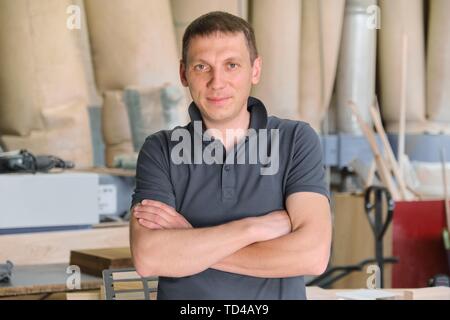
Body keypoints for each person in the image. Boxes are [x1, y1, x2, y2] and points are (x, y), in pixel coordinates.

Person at [130, 11, 332, 300]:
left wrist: (189, 243)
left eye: (232, 65)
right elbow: (149, 257)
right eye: (202, 67)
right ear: (184, 74)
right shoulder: (160, 150)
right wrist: (253, 228)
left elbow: (312, 255)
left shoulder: (295, 140)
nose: (217, 82)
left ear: (255, 69)